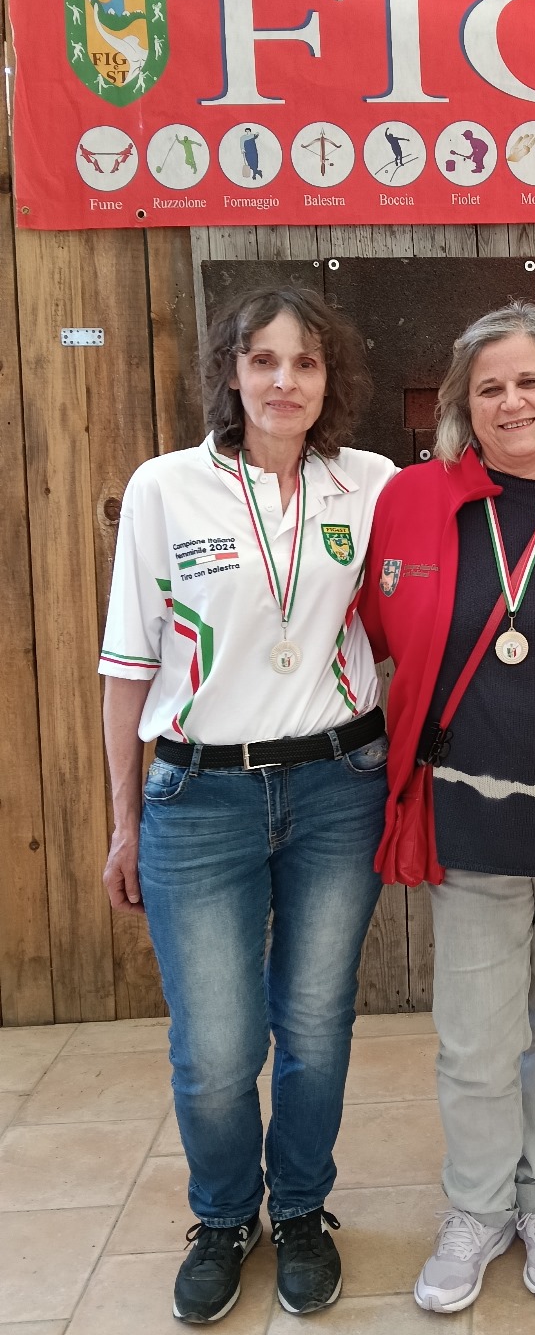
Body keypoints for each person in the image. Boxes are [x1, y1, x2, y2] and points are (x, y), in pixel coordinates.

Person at [100, 286, 395, 1324]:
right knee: (217, 1046)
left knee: (315, 1024)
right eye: (262, 359)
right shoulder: (166, 488)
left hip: (337, 786)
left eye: (305, 362)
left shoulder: (371, 483)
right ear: (230, 370)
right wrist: (126, 820)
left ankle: (302, 1209)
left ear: (330, 378)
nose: (283, 380)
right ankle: (225, 1216)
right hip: (200, 795)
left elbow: (488, 491)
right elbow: (127, 667)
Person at [360, 303, 535, 1316]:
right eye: (489, 387)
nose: (511, 401)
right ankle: (478, 1208)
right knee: (475, 1042)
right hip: (466, 824)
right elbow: (367, 627)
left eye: (531, 381)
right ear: (461, 406)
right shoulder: (409, 501)